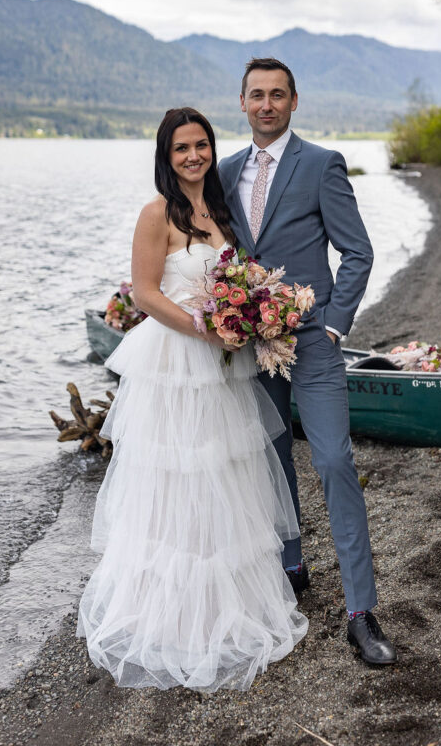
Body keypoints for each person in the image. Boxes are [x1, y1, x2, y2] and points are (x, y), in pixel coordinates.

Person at [77, 106, 308, 692]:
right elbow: (148, 294)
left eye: (201, 145)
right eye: (181, 149)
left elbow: (236, 279)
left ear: (211, 148)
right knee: (175, 478)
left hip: (222, 365)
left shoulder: (222, 210)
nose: (193, 157)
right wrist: (204, 328)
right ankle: (171, 618)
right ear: (166, 155)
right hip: (177, 359)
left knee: (223, 476)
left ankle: (223, 609)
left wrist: (247, 315)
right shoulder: (156, 213)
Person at [219, 59, 397, 666]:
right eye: (256, 95)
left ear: (294, 101)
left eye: (277, 95)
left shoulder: (321, 165)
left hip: (315, 346)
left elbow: (358, 251)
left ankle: (360, 611)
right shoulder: (223, 173)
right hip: (252, 349)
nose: (266, 105)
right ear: (241, 103)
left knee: (333, 461)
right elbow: (220, 259)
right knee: (272, 464)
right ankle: (292, 566)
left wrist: (333, 320)